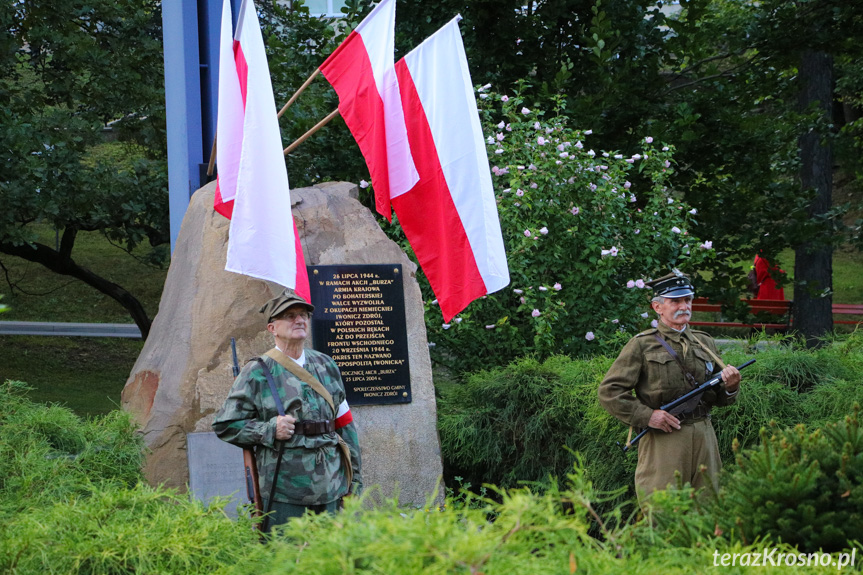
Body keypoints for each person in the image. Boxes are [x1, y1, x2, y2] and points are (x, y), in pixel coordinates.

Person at [213, 289, 362, 531]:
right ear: (272, 328)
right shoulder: (258, 372)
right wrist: (269, 429)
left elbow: (345, 426)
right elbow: (225, 425)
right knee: (288, 559)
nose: (299, 320)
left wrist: (354, 480)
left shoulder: (326, 365)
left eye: (303, 315)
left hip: (332, 485)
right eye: (290, 315)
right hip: (285, 490)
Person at [598, 271, 741, 504]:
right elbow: (610, 391)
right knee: (662, 509)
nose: (684, 306)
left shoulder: (704, 343)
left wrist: (731, 387)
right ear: (657, 307)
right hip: (664, 438)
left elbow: (718, 397)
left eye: (688, 300)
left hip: (704, 435)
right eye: (676, 301)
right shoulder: (642, 344)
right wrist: (648, 416)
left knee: (709, 505)